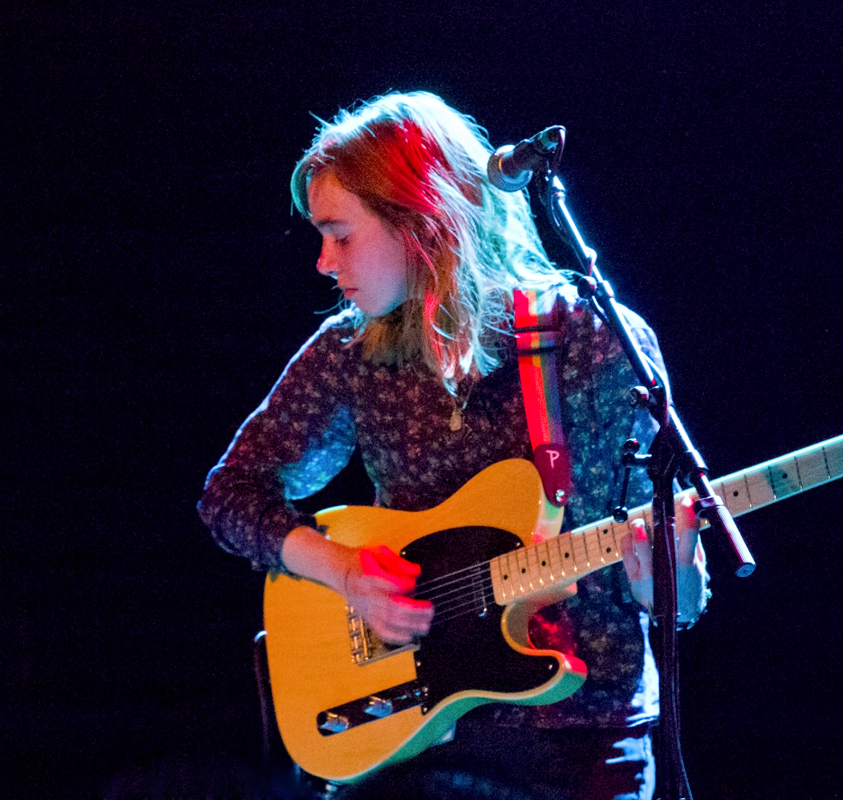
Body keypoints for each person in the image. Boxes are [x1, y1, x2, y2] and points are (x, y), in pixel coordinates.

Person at [198, 91, 708, 800]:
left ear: (420, 222)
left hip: (587, 742)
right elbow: (230, 494)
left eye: (340, 234)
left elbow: (672, 596)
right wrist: (345, 572)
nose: (322, 260)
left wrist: (669, 576)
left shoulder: (596, 342)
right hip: (416, 740)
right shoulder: (351, 353)